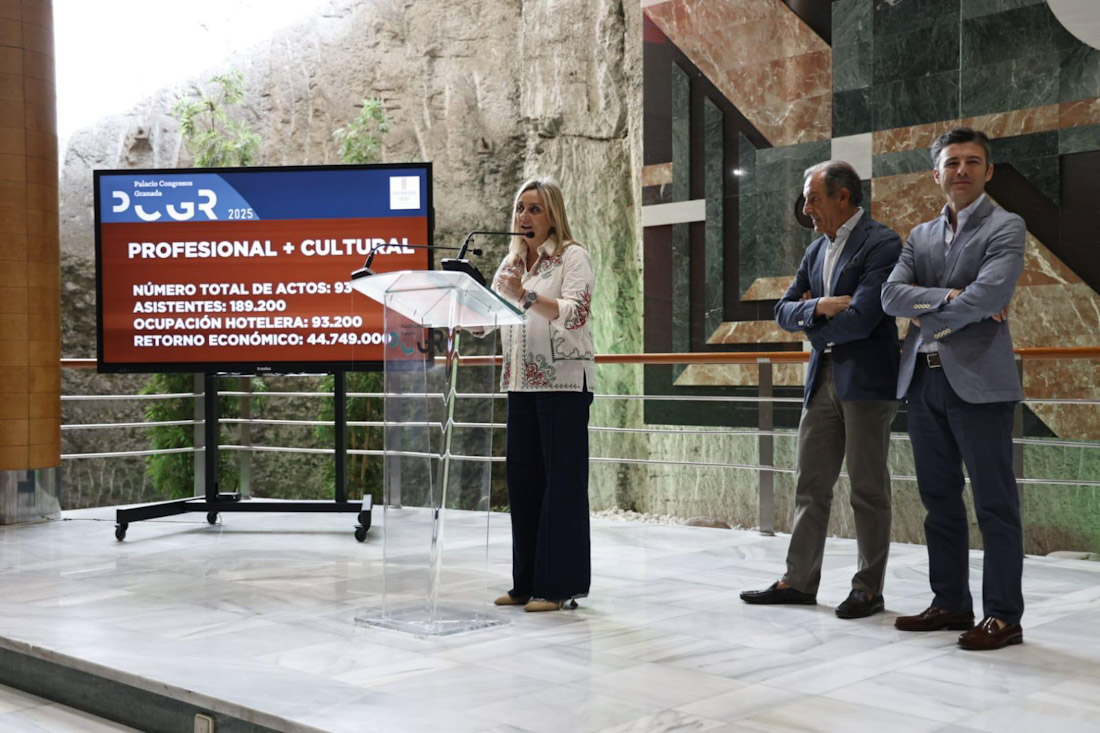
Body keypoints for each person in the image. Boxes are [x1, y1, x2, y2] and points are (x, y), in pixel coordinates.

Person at [881, 127, 1026, 651]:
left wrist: (934, 321)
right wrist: (951, 297)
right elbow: (890, 297)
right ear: (936, 173)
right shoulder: (918, 235)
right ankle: (950, 603)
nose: (961, 170)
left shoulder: (1006, 226)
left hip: (981, 385)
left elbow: (990, 293)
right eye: (952, 162)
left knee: (995, 503)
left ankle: (1004, 615)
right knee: (938, 500)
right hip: (922, 382)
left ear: (988, 171)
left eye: (972, 161)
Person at [741, 161, 902, 619]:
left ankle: (868, 590)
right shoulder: (815, 251)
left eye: (813, 198)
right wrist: (820, 307)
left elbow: (865, 318)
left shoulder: (882, 242)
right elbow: (782, 310)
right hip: (821, 382)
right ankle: (797, 581)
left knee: (868, 490)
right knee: (810, 485)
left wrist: (812, 324)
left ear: (843, 197)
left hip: (867, 383)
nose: (806, 208)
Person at [490, 176, 595, 613]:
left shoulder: (573, 257)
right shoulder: (511, 262)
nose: (524, 218)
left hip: (564, 385)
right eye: (520, 209)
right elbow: (488, 315)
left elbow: (575, 313)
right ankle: (525, 583)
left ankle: (558, 586)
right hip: (520, 384)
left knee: (561, 487)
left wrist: (526, 295)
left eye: (534, 209)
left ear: (553, 215)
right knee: (525, 483)